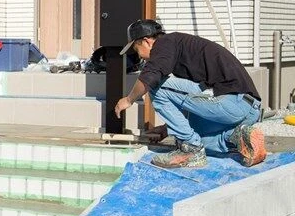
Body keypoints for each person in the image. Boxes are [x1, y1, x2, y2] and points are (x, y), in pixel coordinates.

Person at [113, 19, 266, 169]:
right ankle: (240, 137)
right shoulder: (181, 48)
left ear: (146, 41)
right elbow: (193, 98)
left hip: (231, 101)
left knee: (156, 86)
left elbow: (150, 76)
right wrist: (168, 129)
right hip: (249, 109)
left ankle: (191, 149)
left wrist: (129, 99)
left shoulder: (164, 43)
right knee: (195, 138)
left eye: (136, 49)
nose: (139, 56)